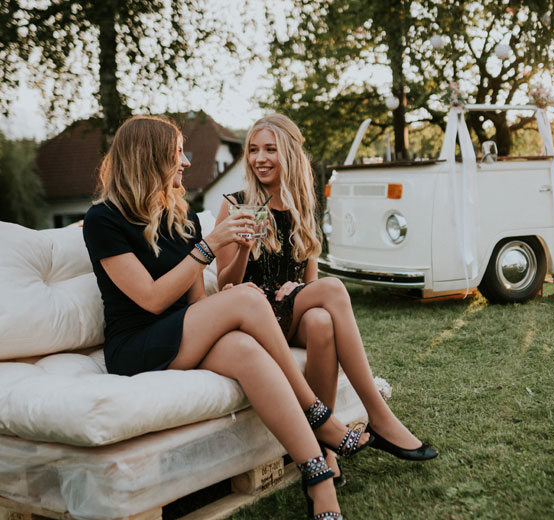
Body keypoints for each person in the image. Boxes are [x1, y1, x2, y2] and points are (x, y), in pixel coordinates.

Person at [82, 115, 360, 520]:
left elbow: (195, 305)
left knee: (245, 345)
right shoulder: (103, 219)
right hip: (137, 346)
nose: (187, 163)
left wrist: (222, 304)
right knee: (247, 298)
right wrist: (210, 247)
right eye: (178, 154)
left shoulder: (182, 218)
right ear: (150, 158)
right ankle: (319, 415)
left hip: (183, 335)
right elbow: (152, 300)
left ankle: (319, 484)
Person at [215, 113, 438, 485]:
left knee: (321, 320)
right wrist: (243, 249)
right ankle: (378, 416)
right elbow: (225, 285)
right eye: (253, 150)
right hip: (255, 320)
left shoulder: (303, 206)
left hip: (293, 317)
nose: (260, 158)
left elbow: (312, 289)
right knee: (334, 289)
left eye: (270, 149)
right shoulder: (235, 204)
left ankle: (325, 450)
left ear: (289, 153)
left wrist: (300, 292)